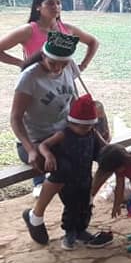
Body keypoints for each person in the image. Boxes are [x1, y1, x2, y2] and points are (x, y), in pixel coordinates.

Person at [15, 32, 82, 241]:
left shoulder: (69, 67)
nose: (58, 68)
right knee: (63, 168)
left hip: (62, 134)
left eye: (63, 63)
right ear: (43, 56)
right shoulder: (30, 77)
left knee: (81, 172)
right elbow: (15, 119)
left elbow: (75, 101)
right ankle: (35, 216)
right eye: (53, 63)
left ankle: (76, 226)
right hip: (34, 140)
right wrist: (30, 149)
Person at [33, 93, 113, 250]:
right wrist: (48, 155)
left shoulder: (92, 132)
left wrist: (112, 151)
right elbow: (43, 145)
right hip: (68, 181)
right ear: (71, 123)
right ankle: (70, 233)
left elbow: (105, 146)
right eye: (82, 127)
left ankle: (81, 230)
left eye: (89, 126)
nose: (85, 130)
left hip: (85, 177)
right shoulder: (63, 134)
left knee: (85, 205)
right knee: (71, 207)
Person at [0, 0, 99, 70]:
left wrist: (82, 66)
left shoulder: (68, 29)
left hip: (64, 82)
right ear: (38, 7)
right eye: (50, 3)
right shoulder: (28, 30)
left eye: (58, 3)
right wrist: (22, 63)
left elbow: (93, 42)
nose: (56, 7)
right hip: (36, 80)